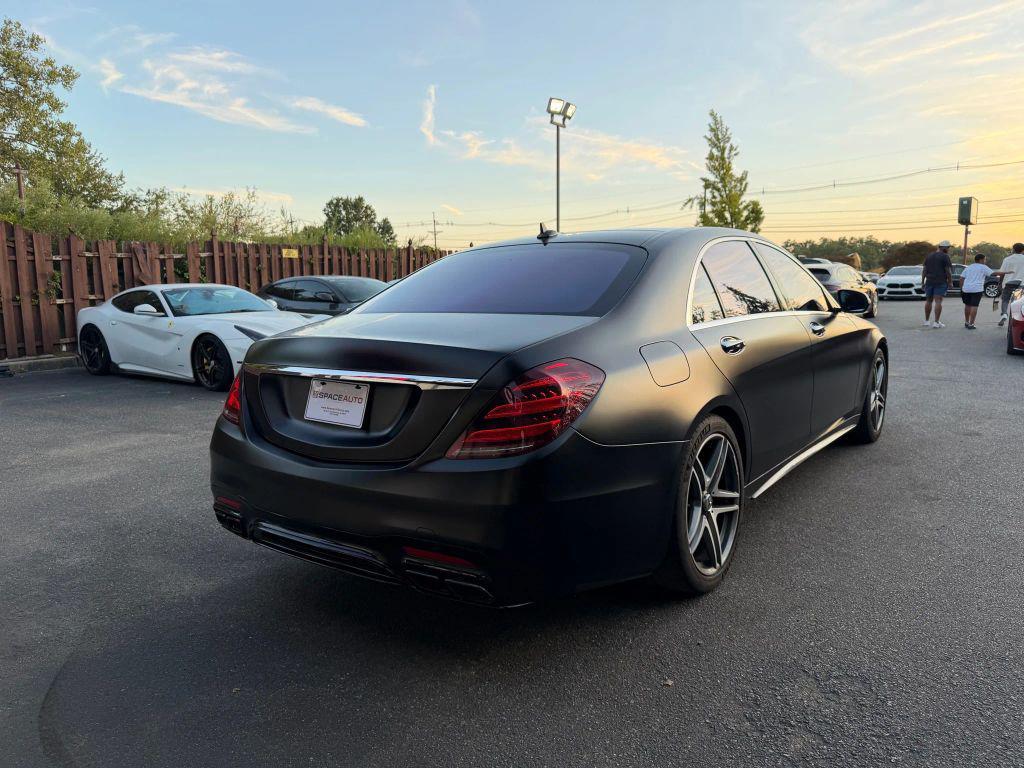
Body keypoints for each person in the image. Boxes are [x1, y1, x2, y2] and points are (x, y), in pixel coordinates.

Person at [921, 240, 953, 328]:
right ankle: (936, 322)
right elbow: (948, 271)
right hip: (940, 281)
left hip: (929, 281)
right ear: (944, 248)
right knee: (938, 301)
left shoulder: (929, 256)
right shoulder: (945, 256)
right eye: (948, 248)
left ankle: (927, 321)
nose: (949, 249)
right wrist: (950, 282)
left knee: (928, 301)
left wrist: (922, 282)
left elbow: (924, 270)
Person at [959, 253, 991, 329]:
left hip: (966, 289)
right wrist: (1006, 272)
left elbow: (961, 278)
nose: (985, 261)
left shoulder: (968, 267)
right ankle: (971, 324)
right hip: (977, 289)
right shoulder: (983, 267)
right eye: (984, 259)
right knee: (974, 306)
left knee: (967, 305)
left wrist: (962, 288)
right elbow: (993, 273)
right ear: (981, 260)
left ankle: (966, 322)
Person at [997, 243, 1024, 326]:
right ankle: (1014, 320)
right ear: (1023, 250)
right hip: (1021, 285)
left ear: (1013, 249)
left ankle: (1004, 314)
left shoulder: (1007, 259)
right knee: (1017, 303)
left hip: (1008, 284)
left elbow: (1002, 273)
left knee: (1005, 300)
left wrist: (1000, 283)